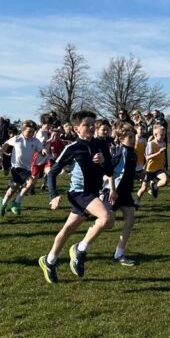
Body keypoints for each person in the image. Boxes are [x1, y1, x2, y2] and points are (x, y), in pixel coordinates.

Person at [38, 111, 115, 284]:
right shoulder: (72, 148)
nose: (91, 127)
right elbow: (52, 173)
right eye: (87, 125)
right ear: (76, 129)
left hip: (93, 193)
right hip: (79, 193)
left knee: (69, 229)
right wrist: (54, 195)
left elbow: (109, 171)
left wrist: (103, 161)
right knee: (105, 217)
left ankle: (49, 261)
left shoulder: (101, 145)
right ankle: (80, 249)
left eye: (92, 124)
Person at [108, 122, 140, 266]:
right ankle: (81, 247)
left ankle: (119, 253)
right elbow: (109, 171)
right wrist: (112, 190)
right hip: (116, 192)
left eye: (134, 136)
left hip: (126, 192)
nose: (133, 139)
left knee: (130, 220)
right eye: (130, 137)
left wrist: (140, 174)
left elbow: (128, 172)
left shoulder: (133, 152)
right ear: (121, 139)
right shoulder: (121, 152)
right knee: (107, 223)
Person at [0, 120, 46, 216]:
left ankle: (3, 203)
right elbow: (6, 144)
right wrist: (0, 154)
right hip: (17, 167)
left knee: (14, 188)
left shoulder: (35, 141)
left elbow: (41, 150)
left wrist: (43, 151)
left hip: (27, 168)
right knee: (31, 181)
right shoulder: (17, 138)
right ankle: (16, 202)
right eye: (29, 131)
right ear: (23, 131)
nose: (31, 133)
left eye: (33, 131)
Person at [135, 122, 169, 201]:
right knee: (143, 188)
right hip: (149, 170)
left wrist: (163, 167)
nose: (163, 136)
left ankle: (155, 186)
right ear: (155, 135)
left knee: (166, 180)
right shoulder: (150, 144)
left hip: (159, 169)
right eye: (161, 134)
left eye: (164, 134)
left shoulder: (163, 143)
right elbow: (148, 157)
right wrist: (158, 152)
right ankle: (136, 202)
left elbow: (162, 157)